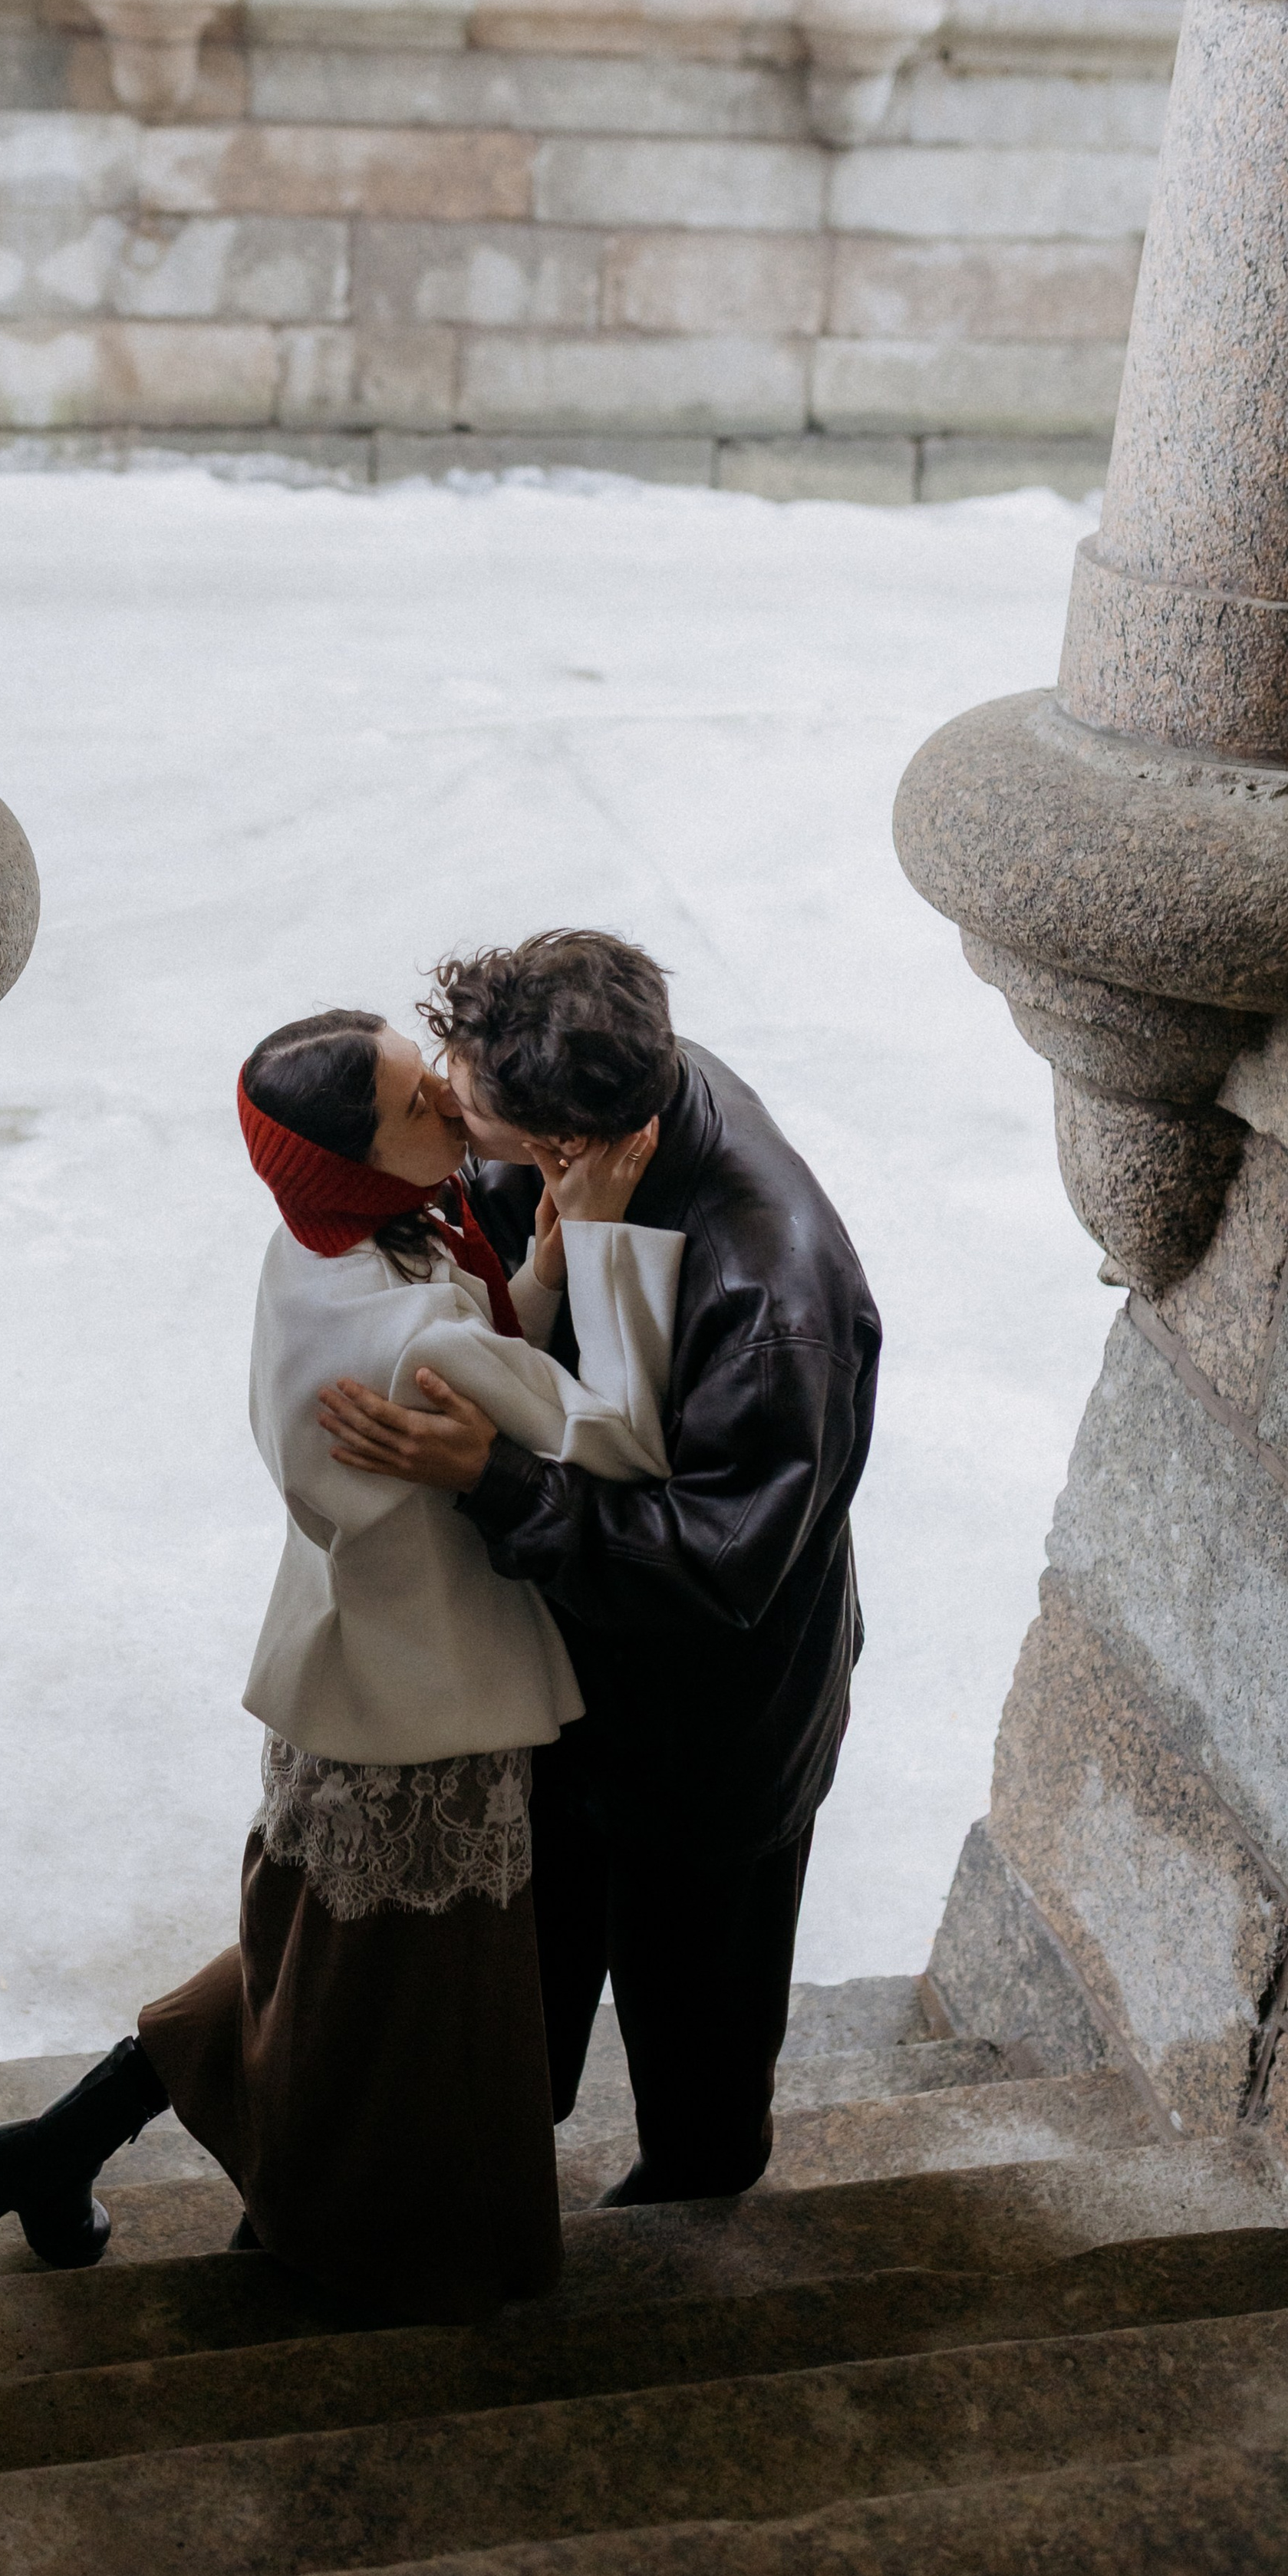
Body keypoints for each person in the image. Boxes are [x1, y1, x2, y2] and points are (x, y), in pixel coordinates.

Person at [0, 1004, 675, 2314]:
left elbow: (476, 1344)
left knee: (313, 1949)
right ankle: (339, 2244)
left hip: (346, 1666)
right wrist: (611, 1248)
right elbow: (617, 1440)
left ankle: (48, 2148)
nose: (454, 1107)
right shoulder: (421, 1329)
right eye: (418, 1105)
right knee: (380, 1997)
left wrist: (545, 1271)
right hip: (426, 1701)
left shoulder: (315, 1247)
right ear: (353, 1159)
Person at [318, 933, 881, 2207]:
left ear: (570, 1145)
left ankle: (690, 2212)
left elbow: (716, 1566)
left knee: (700, 2039)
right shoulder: (618, 1094)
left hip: (712, 1728)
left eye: (473, 1110)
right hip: (568, 1678)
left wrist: (494, 1480)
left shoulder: (771, 1290)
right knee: (527, 1996)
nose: (447, 1105)